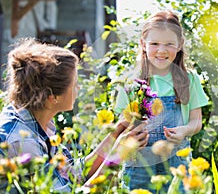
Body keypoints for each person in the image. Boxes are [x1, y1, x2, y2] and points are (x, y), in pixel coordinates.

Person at [0, 37, 148, 192]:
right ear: (53, 97)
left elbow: (72, 174)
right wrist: (118, 155)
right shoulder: (21, 141)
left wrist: (114, 136)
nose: (78, 89)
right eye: (75, 84)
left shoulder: (34, 120)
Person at [114, 10, 209, 193]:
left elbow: (196, 121)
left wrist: (185, 130)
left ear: (180, 44)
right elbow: (121, 124)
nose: (162, 50)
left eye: (169, 44)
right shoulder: (131, 82)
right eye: (155, 43)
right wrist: (132, 134)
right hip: (138, 163)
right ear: (143, 44)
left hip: (177, 164)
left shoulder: (189, 80)